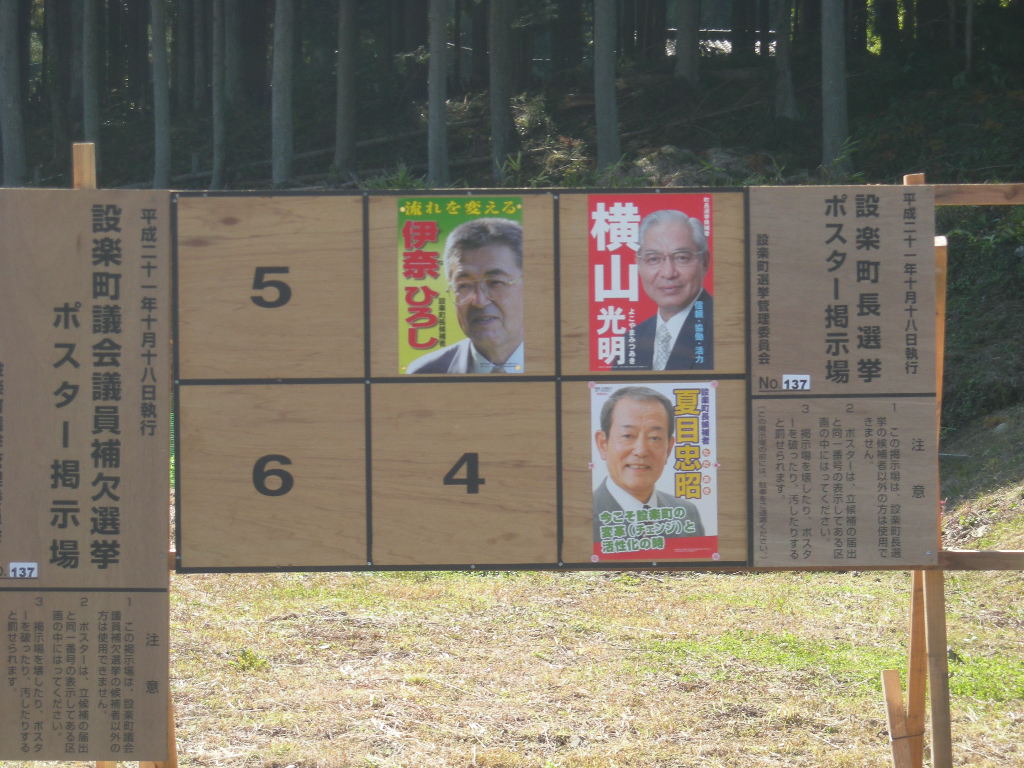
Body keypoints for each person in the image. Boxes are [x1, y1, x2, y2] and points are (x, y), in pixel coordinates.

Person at [406, 218, 524, 374]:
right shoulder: (425, 373)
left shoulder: (556, 362)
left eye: (495, 283)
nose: (479, 301)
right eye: (464, 286)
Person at [592, 385, 704, 544]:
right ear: (603, 444)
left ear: (669, 448)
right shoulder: (582, 515)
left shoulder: (687, 513)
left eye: (654, 437)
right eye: (628, 435)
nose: (641, 451)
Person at [616, 209, 713, 370]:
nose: (668, 273)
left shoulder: (727, 331)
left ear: (704, 262)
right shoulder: (631, 342)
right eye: (653, 259)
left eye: (682, 258)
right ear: (638, 264)